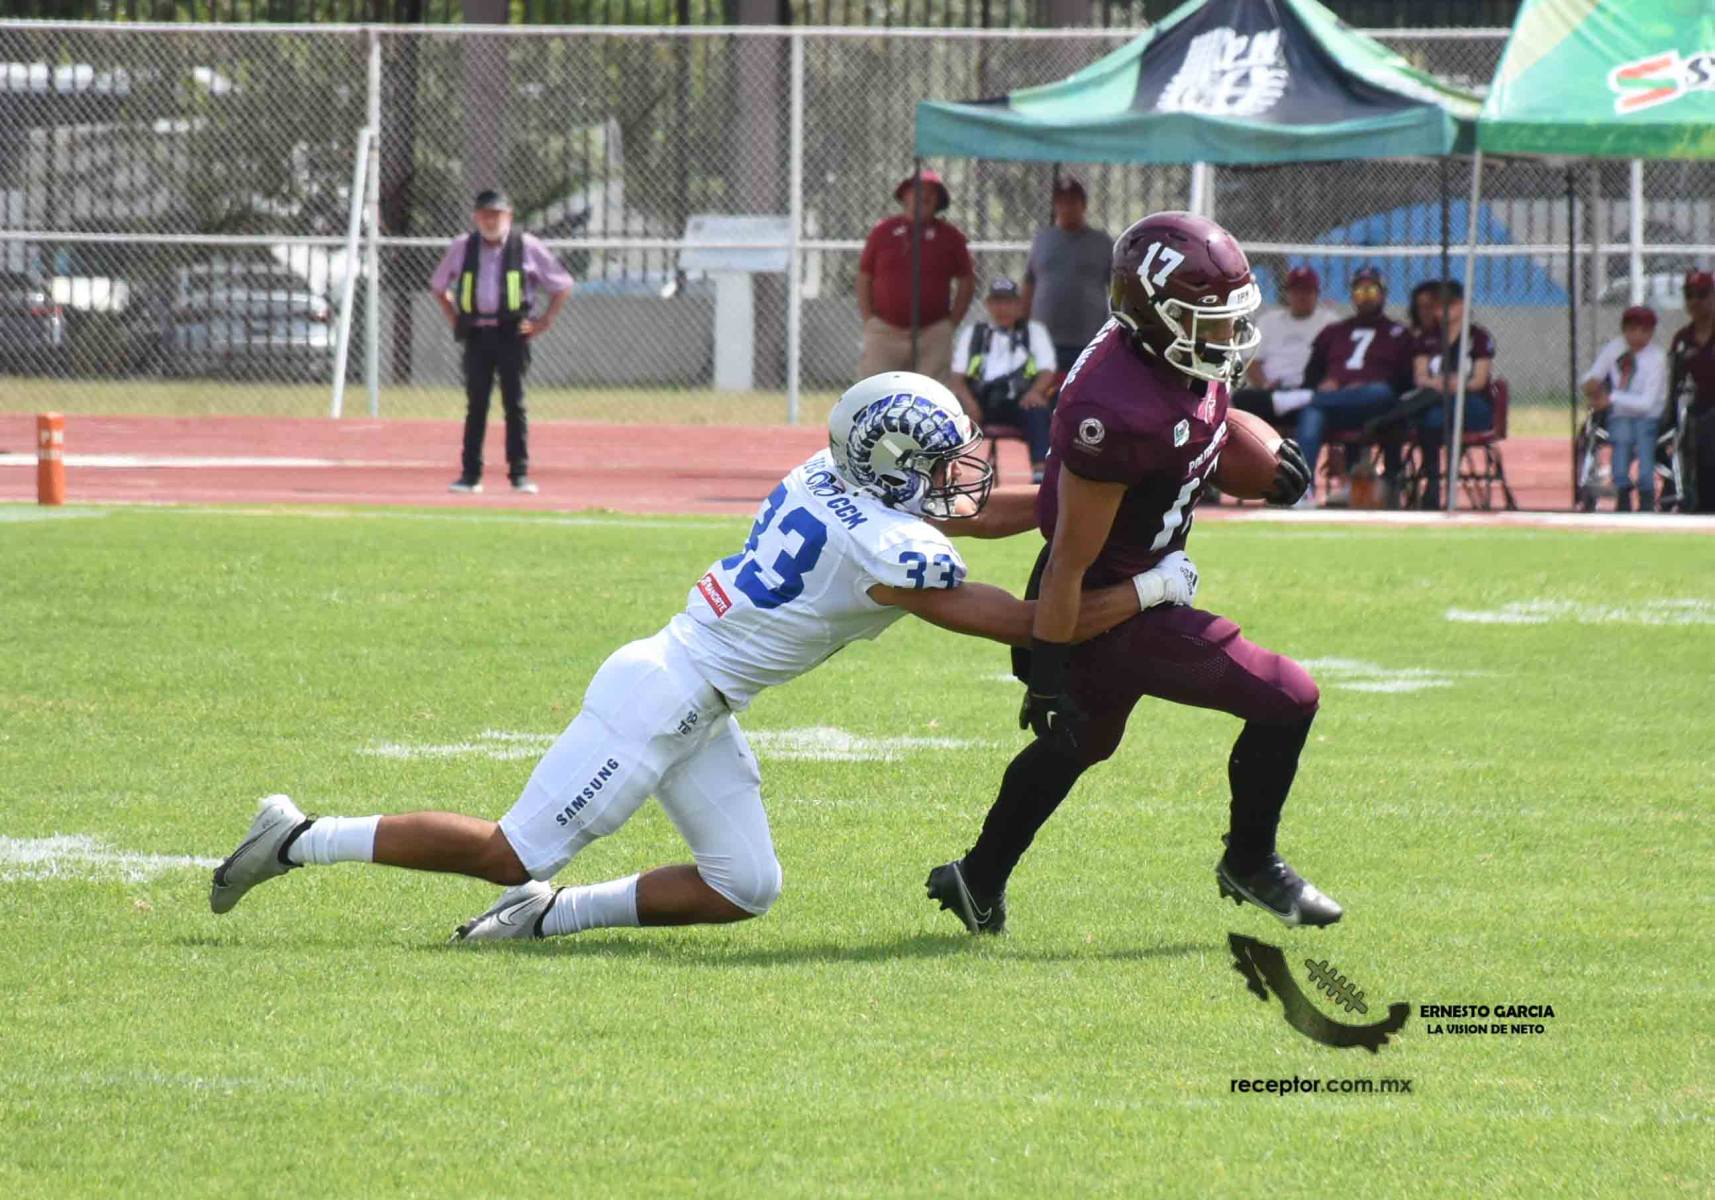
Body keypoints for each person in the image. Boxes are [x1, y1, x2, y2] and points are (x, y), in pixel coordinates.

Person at [208, 373, 1201, 942]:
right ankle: (299, 837)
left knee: (743, 885)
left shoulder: (828, 473)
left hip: (696, 691)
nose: (960, 477)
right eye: (940, 464)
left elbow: (972, 516)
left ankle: (547, 919)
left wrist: (1096, 503)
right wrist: (1153, 585)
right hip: (663, 694)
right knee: (505, 850)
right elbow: (1032, 623)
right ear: (894, 467)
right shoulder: (886, 552)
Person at [923, 211, 1338, 938]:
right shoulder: (1114, 410)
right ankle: (1250, 863)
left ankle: (976, 879)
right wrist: (1049, 670)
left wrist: (1252, 463)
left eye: (1229, 316)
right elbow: (1069, 557)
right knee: (1287, 695)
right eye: (1208, 318)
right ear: (1155, 315)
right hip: (1108, 607)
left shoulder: (1162, 355)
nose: (1228, 334)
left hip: (1139, 573)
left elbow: (1184, 433)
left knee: (1082, 740)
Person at [430, 189, 573, 495]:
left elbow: (561, 285)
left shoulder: (526, 246)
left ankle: (519, 474)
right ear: (475, 217)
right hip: (477, 335)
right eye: (484, 214)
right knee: (476, 404)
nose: (490, 220)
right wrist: (454, 317)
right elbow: (439, 286)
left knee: (514, 404)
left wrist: (544, 321)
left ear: (508, 216)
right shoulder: (463, 247)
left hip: (512, 334)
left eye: (496, 214)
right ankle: (470, 475)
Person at [1295, 267, 1415, 505]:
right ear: (1352, 296)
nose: (1365, 297)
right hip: (1336, 408)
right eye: (1360, 291)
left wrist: (1362, 386)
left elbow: (1406, 381)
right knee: (1311, 412)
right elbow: (1311, 376)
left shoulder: (1399, 333)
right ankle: (1301, 489)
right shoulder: (1333, 332)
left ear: (1383, 294)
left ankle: (1301, 399)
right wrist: (1323, 384)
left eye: (1371, 291)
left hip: (1379, 408)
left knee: (1379, 392)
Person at [856, 170, 975, 383]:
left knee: (930, 394)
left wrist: (951, 323)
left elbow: (966, 280)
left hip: (933, 333)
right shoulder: (882, 232)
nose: (923, 196)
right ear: (905, 195)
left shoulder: (951, 237)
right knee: (875, 391)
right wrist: (869, 319)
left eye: (931, 193)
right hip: (885, 331)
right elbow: (864, 276)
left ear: (939, 201)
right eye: (917, 190)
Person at [950, 277, 1059, 483]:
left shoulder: (1034, 332)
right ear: (988, 305)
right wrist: (969, 403)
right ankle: (951, 474)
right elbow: (957, 377)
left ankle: (1040, 472)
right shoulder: (974, 333)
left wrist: (1035, 392)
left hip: (1019, 400)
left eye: (1008, 302)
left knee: (1037, 411)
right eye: (997, 302)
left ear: (1019, 305)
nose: (1003, 308)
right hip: (982, 402)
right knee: (953, 414)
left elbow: (1047, 370)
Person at [1406, 282, 1498, 510]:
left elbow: (1479, 380)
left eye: (1451, 304)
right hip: (1436, 401)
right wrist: (1436, 383)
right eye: (1439, 305)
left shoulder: (1478, 337)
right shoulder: (1427, 338)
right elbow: (1421, 376)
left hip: (1471, 404)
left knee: (1435, 413)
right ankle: (1434, 482)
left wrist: (1457, 384)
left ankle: (1435, 482)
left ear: (1463, 305)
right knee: (1432, 416)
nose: (1444, 310)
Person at [1022, 174, 1112, 372]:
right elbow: (1029, 283)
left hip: (1088, 339)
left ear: (1083, 206)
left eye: (1072, 202)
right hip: (1045, 338)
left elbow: (1116, 287)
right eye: (1061, 202)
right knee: (1045, 388)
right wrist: (1022, 326)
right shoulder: (1042, 240)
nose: (1067, 208)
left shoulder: (1101, 243)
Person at [1581, 305, 1667, 513]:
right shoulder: (1615, 349)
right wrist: (1590, 385)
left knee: (1644, 444)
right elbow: (1593, 376)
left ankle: (1646, 493)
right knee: (1621, 439)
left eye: (1644, 330)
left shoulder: (1656, 358)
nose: (1637, 335)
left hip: (1648, 416)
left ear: (1651, 332)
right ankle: (1622, 489)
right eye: (1632, 329)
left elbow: (1647, 403)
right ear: (1623, 329)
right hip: (1620, 414)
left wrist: (1611, 398)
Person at [1229, 265, 1335, 425]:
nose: (1302, 296)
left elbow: (1338, 362)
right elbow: (1252, 362)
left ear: (1316, 294)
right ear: (1287, 293)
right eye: (1296, 291)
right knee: (1241, 399)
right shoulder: (1268, 321)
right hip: (1274, 391)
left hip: (1311, 390)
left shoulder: (1329, 322)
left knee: (1318, 404)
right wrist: (1265, 385)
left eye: (1307, 291)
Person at [1666, 268, 1715, 512]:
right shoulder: (1683, 339)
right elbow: (1674, 382)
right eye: (1689, 295)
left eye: (1702, 294)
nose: (1695, 301)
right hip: (1700, 404)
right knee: (1691, 427)